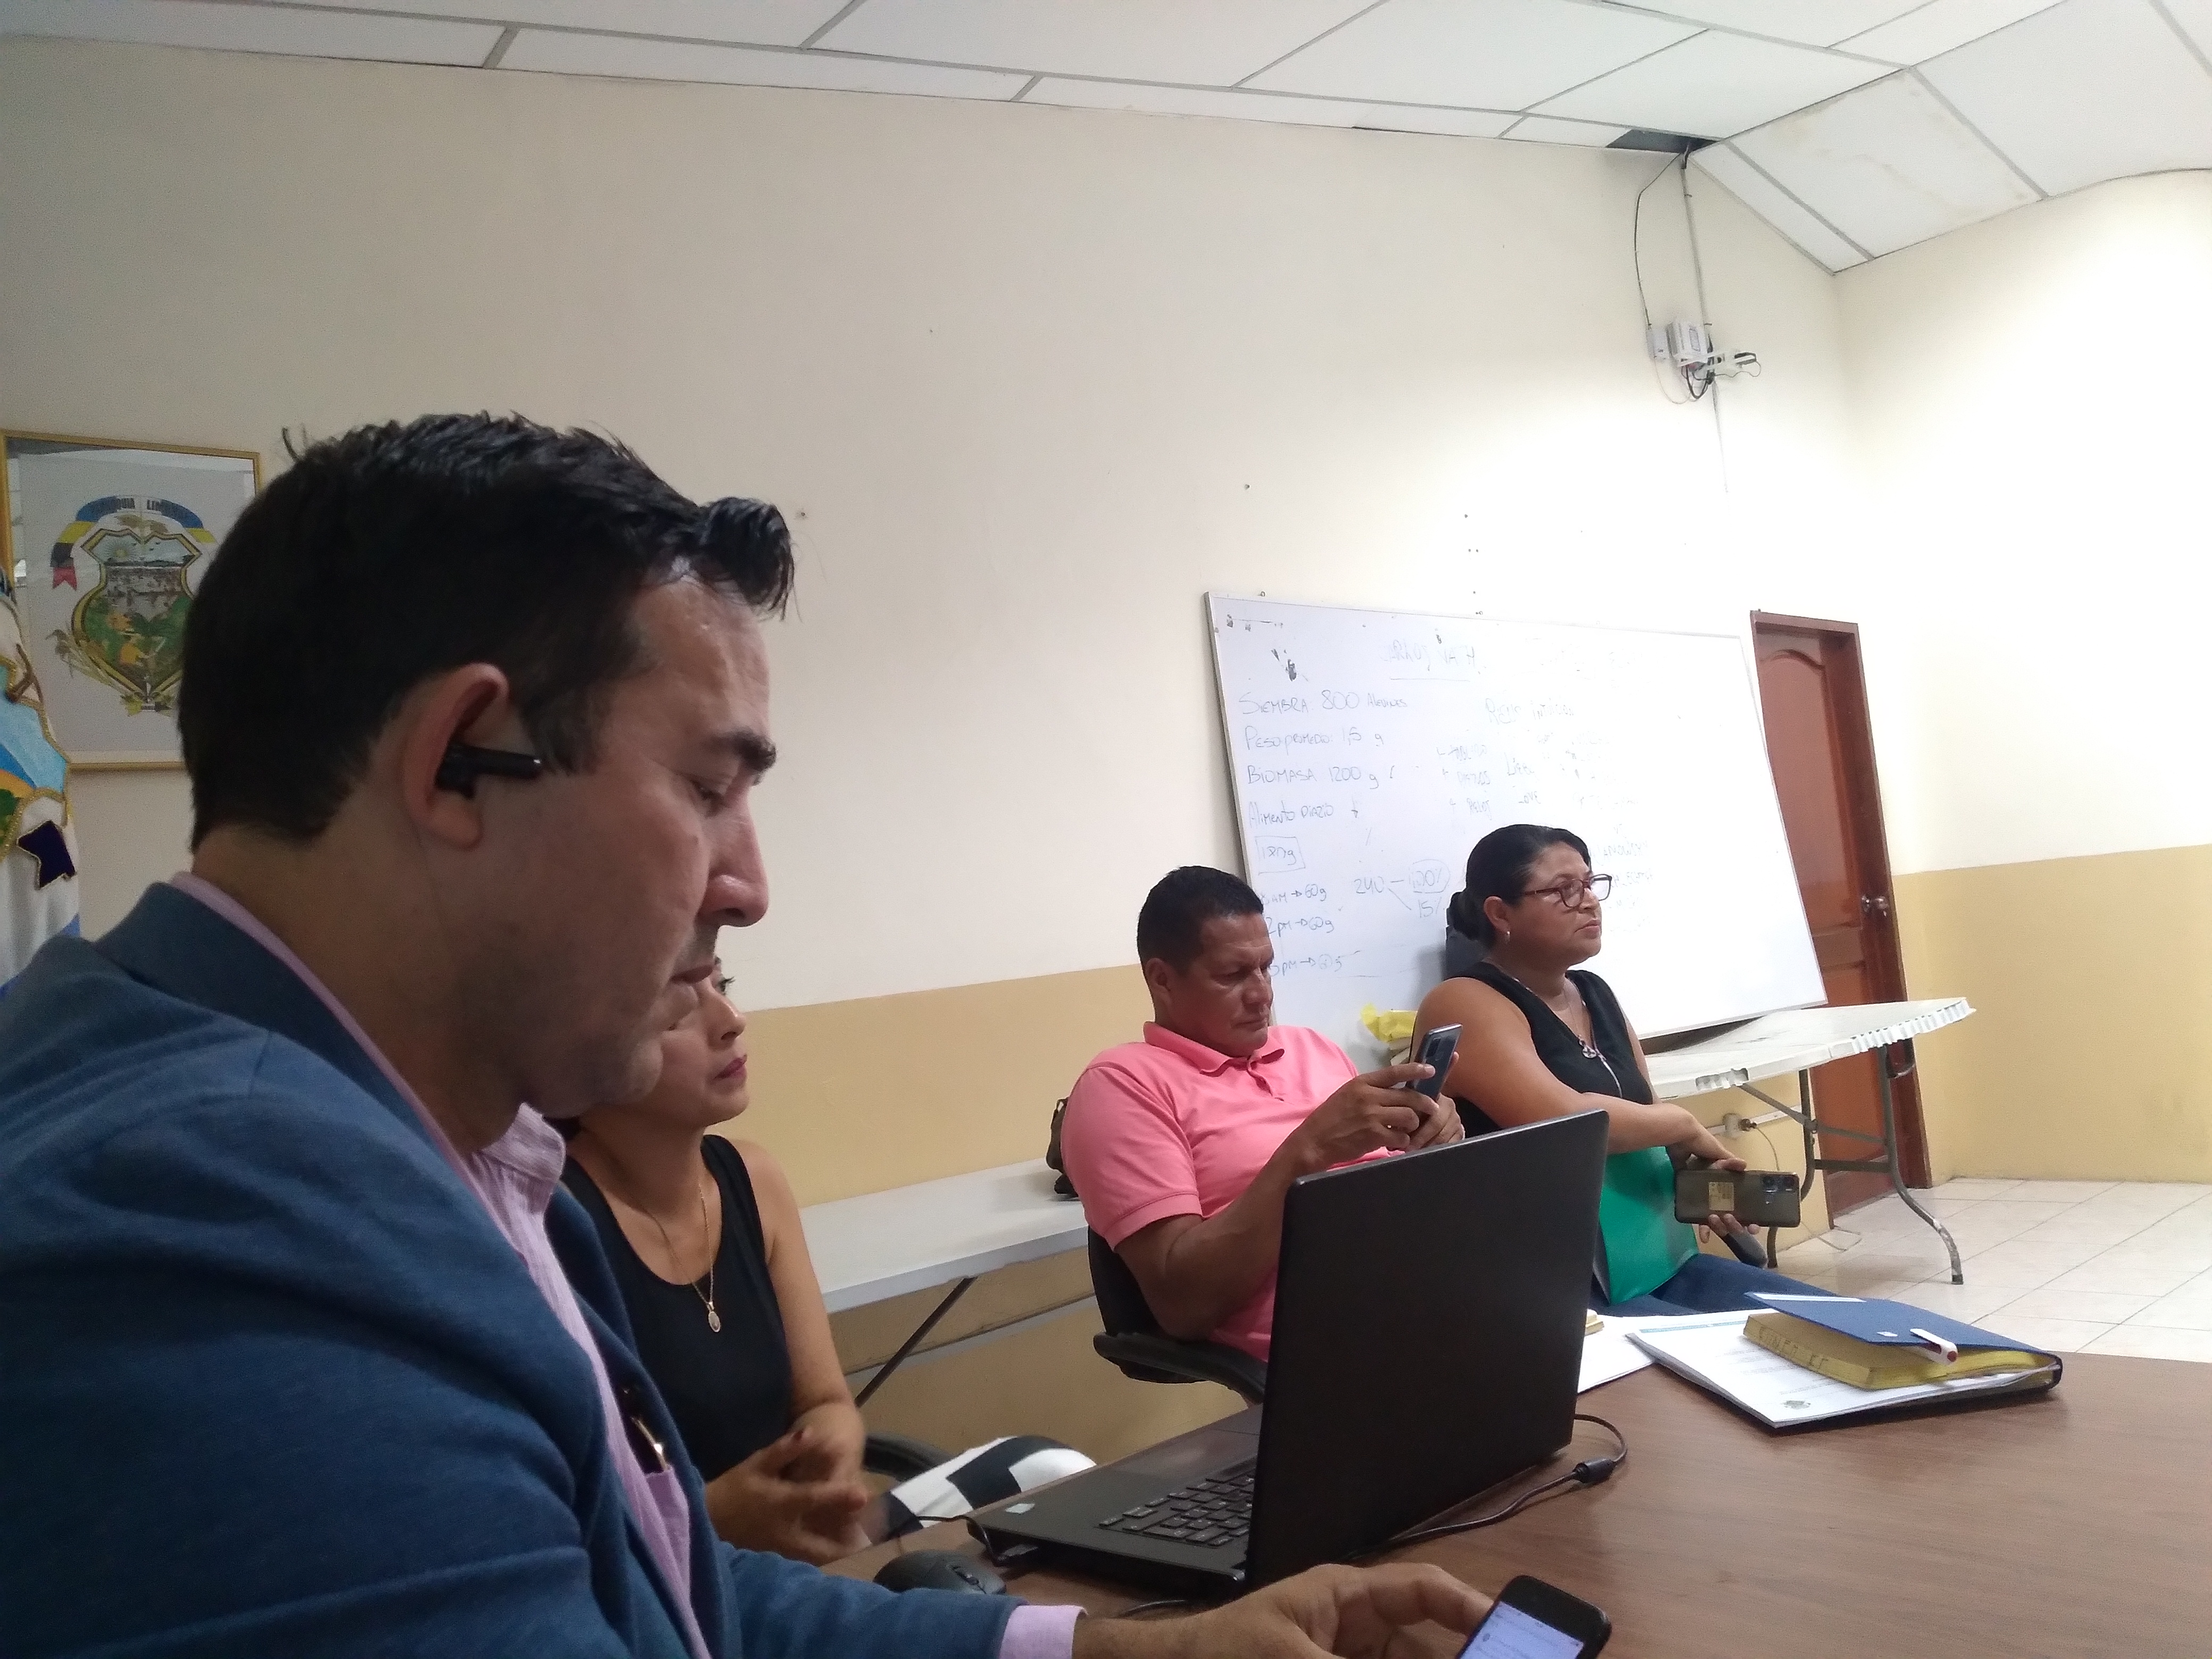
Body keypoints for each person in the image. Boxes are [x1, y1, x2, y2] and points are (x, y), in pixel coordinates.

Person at [0, 414, 1487, 1659]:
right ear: (457, 762)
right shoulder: (199, 1223)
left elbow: (669, 1592)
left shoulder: (457, 1146)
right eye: (710, 790)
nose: (749, 886)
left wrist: (1129, 1652)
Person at [560, 977, 1091, 1565]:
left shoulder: (753, 1178)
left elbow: (825, 1399)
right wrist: (715, 1518)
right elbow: (568, 1517)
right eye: (681, 1004)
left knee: (1049, 1470)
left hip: (808, 1554)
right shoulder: (549, 1225)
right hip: (679, 1576)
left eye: (724, 983)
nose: (732, 1019)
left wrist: (830, 1460)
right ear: (585, 1044)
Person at [1415, 824, 1827, 1316]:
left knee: (1828, 1322)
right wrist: (1683, 1124)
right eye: (1564, 890)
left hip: (1649, 1257)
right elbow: (1571, 1121)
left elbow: (1645, 1111)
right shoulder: (1464, 1000)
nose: (1589, 902)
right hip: (1549, 1279)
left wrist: (1693, 1171)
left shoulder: (1595, 992)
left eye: (1590, 884)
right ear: (1501, 913)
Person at [1059, 865, 1460, 1361]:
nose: (1262, 994)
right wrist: (1307, 1152)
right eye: (1232, 976)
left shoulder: (1310, 1047)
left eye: (1266, 968)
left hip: (1439, 1298)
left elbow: (1393, 1190)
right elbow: (1182, 1303)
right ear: (1162, 979)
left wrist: (1433, 1138)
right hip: (1341, 1348)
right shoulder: (1124, 1085)